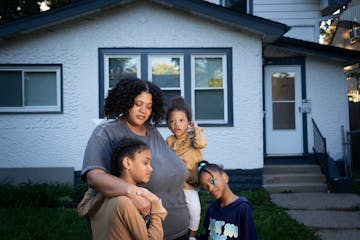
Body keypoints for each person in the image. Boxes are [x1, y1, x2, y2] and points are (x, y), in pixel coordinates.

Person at [81, 78, 190, 239]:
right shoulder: (106, 133)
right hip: (145, 233)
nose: (143, 111)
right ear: (126, 101)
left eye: (148, 106)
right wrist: (132, 192)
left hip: (180, 230)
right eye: (138, 104)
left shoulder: (152, 132)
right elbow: (94, 177)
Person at [89, 137, 168, 239]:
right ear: (127, 163)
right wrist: (157, 209)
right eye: (145, 163)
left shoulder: (99, 195)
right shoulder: (126, 203)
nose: (151, 169)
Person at [165, 96, 207, 240]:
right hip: (172, 183)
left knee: (194, 209)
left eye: (181, 120)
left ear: (188, 123)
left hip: (188, 183)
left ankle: (191, 236)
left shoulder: (192, 137)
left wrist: (196, 129)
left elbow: (201, 143)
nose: (177, 124)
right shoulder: (169, 141)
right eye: (172, 121)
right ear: (168, 125)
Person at [197, 160, 258, 240]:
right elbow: (208, 236)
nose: (210, 188)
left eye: (212, 181)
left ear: (225, 177)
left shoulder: (242, 209)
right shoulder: (211, 209)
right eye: (206, 187)